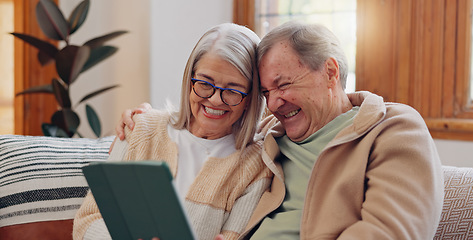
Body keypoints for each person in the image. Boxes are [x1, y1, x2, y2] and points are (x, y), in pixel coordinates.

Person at [117, 21, 445, 239]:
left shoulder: (393, 130)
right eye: (264, 93)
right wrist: (148, 119)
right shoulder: (272, 134)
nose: (274, 103)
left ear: (330, 72)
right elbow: (211, 120)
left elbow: (389, 233)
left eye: (283, 84)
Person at [72, 23, 273, 240]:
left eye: (233, 90)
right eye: (205, 83)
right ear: (189, 81)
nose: (215, 99)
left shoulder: (255, 165)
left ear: (250, 98)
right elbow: (87, 222)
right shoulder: (140, 129)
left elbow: (235, 236)